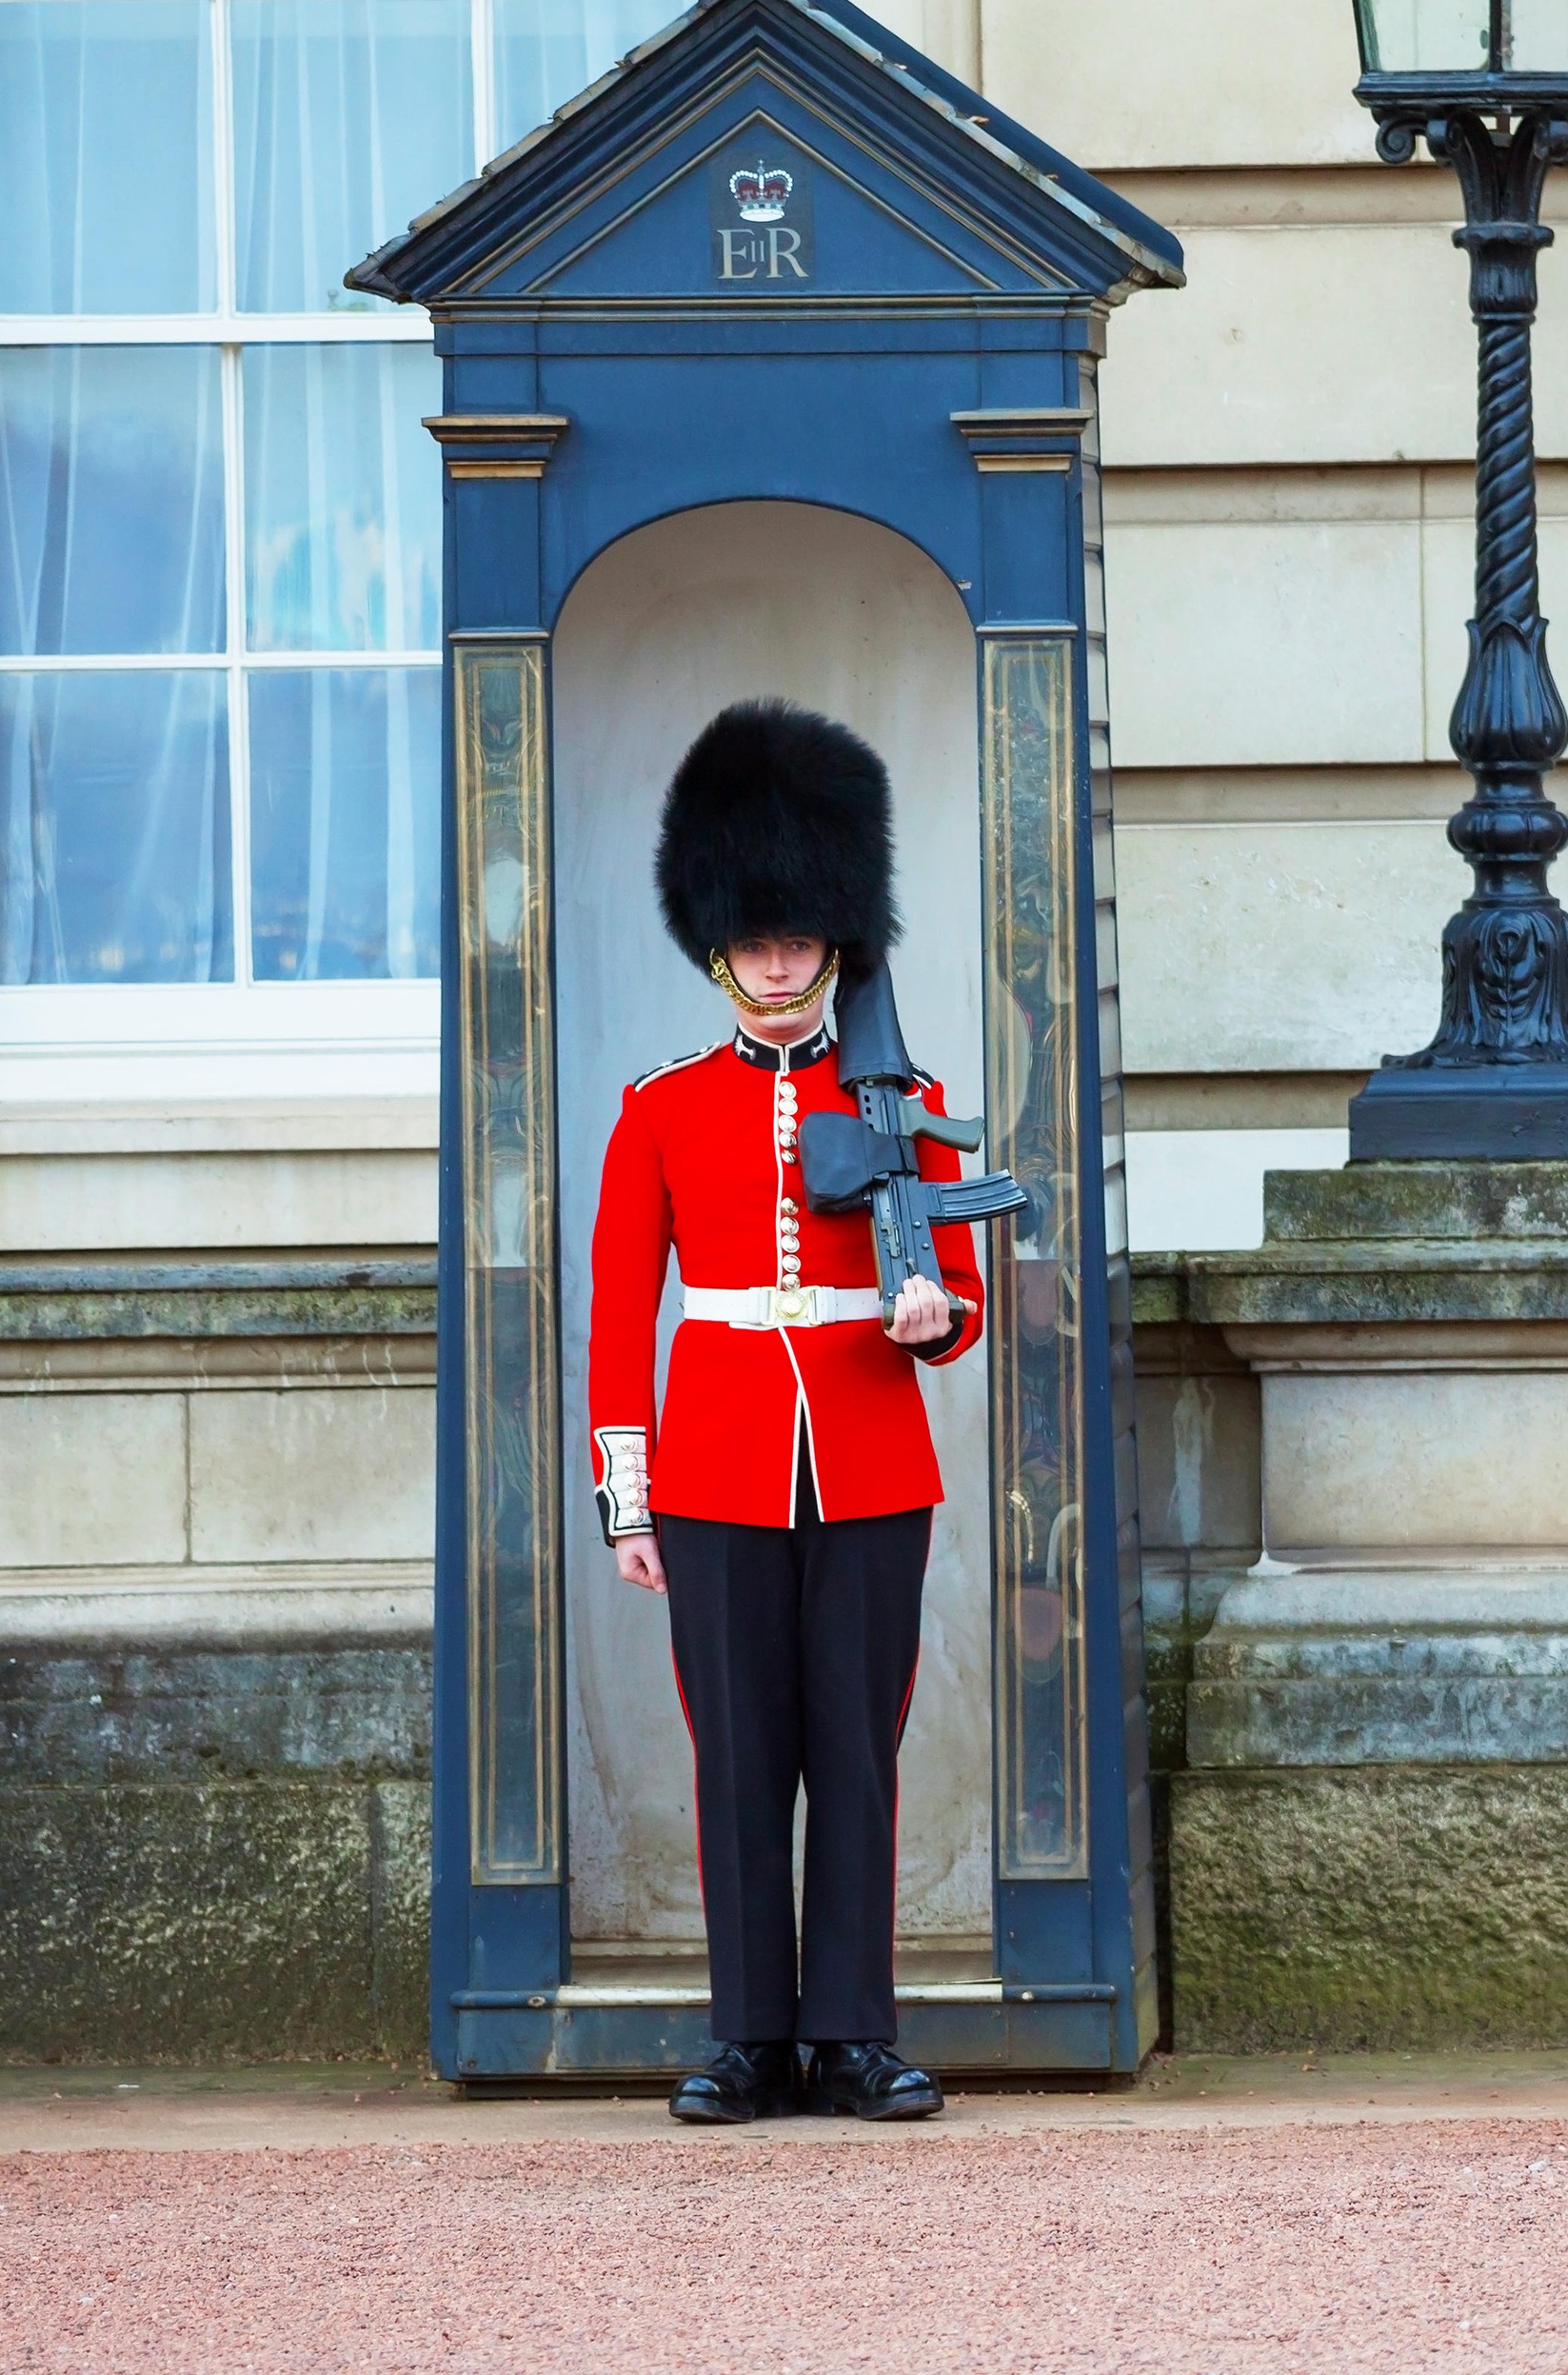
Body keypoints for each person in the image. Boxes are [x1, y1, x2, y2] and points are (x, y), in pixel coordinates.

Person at [587, 700, 987, 2126]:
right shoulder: (660, 1109)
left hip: (873, 1459)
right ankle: (749, 2034)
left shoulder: (905, 1094)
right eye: (754, 936)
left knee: (855, 1752)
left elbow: (961, 1285)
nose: (775, 960)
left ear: (835, 935)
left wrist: (936, 1312)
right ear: (718, 940)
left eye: (798, 934)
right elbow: (624, 1308)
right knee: (742, 1755)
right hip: (713, 1468)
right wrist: (631, 1499)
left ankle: (854, 2033)